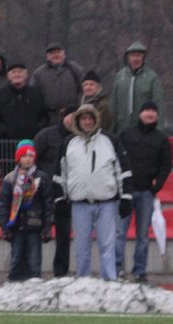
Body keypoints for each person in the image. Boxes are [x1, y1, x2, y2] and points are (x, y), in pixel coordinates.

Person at [53, 104, 133, 280]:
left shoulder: (110, 141)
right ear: (78, 121)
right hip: (79, 204)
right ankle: (83, 282)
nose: (87, 121)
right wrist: (60, 199)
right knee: (82, 247)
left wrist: (126, 197)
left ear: (96, 120)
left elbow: (124, 170)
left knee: (107, 246)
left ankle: (109, 281)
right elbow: (60, 174)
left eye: (90, 118)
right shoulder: (68, 143)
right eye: (83, 118)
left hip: (107, 203)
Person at [117, 101, 172, 283]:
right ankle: (117, 269)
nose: (150, 114)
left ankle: (139, 271)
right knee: (120, 233)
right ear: (140, 114)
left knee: (143, 235)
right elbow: (115, 158)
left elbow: (166, 166)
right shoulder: (126, 134)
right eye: (147, 110)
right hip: (125, 191)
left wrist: (157, 186)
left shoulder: (162, 139)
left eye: (153, 111)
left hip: (147, 193)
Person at [0, 140, 53, 281]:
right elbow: (3, 204)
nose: (28, 159)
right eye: (24, 156)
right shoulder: (10, 179)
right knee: (16, 259)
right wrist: (4, 226)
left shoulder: (41, 178)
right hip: (15, 227)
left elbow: (47, 203)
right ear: (18, 159)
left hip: (35, 226)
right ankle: (14, 286)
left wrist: (47, 226)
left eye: (30, 156)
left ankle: (34, 287)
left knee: (34, 261)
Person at [34, 105, 78, 277]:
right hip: (42, 193)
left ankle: (61, 272)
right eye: (70, 116)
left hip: (65, 195)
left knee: (63, 236)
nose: (72, 120)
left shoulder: (79, 139)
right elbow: (31, 158)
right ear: (63, 117)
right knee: (35, 231)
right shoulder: (46, 135)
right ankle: (33, 270)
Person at [0, 60, 48, 174]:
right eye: (14, 72)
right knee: (9, 178)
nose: (17, 75)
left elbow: (44, 117)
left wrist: (37, 130)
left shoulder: (36, 94)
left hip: (31, 145)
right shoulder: (0, 95)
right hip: (7, 147)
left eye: (20, 72)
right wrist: (4, 131)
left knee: (31, 178)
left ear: (26, 75)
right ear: (9, 76)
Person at [109, 41, 163, 134]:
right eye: (133, 55)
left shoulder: (152, 77)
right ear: (128, 58)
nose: (135, 58)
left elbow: (158, 104)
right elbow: (113, 105)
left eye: (138, 55)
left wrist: (158, 130)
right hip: (122, 129)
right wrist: (110, 130)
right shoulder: (120, 76)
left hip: (145, 130)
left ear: (143, 57)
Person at [30, 42, 84, 121]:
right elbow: (33, 96)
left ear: (64, 54)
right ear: (47, 57)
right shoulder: (38, 73)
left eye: (58, 52)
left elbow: (84, 89)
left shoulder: (74, 69)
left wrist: (78, 107)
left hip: (73, 115)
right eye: (52, 53)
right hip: (49, 117)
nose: (56, 55)